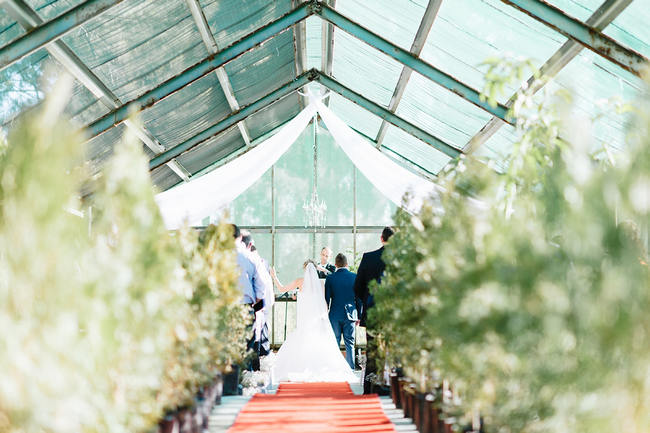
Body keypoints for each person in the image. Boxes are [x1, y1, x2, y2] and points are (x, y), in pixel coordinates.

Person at [269, 261, 357, 383]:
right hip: (316, 321)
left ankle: (300, 367)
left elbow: (281, 288)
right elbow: (325, 303)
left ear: (305, 269)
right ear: (316, 270)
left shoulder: (300, 282)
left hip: (304, 321)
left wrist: (274, 276)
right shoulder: (321, 284)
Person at [354, 226, 395, 394]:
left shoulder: (368, 257)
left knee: (372, 352)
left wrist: (367, 299)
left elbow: (357, 287)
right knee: (390, 351)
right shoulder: (399, 260)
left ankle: (369, 386)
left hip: (372, 312)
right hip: (393, 314)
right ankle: (386, 385)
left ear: (381, 238)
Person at [232, 225, 265, 370]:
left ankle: (228, 385)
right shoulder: (250, 257)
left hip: (224, 308)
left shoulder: (215, 258)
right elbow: (261, 288)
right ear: (239, 237)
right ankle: (242, 384)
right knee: (246, 347)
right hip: (246, 308)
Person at [324, 253, 360, 369]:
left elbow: (326, 298)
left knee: (335, 341)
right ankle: (350, 369)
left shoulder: (330, 278)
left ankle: (335, 368)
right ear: (347, 264)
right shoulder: (354, 277)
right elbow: (359, 299)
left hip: (334, 314)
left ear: (335, 265)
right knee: (350, 342)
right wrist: (359, 315)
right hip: (351, 314)